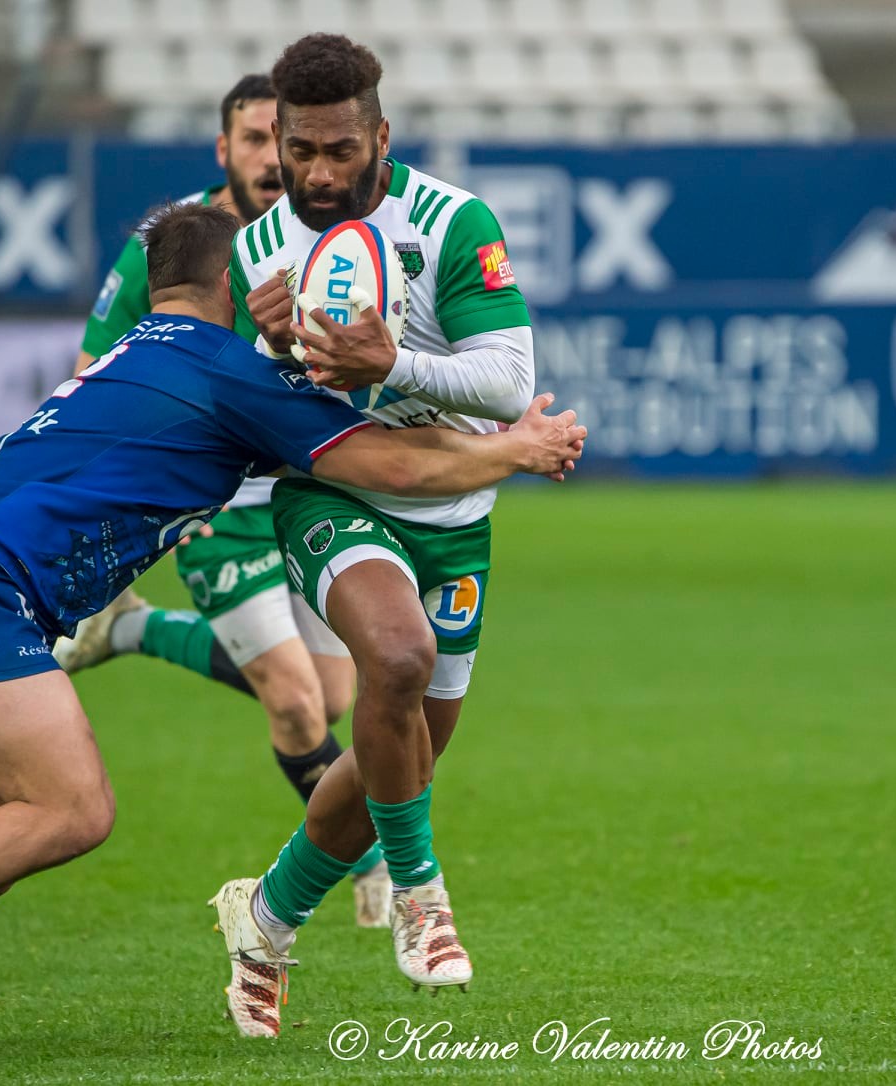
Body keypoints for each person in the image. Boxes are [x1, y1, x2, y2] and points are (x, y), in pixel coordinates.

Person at [0, 201, 585, 1058]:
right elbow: (394, 464)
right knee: (72, 810)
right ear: (238, 282)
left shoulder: (133, 352)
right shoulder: (229, 372)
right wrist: (518, 448)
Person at [207, 32, 538, 1033]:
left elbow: (509, 384)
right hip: (333, 497)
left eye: (337, 151)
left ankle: (263, 922)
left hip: (453, 514)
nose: (312, 173)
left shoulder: (451, 223)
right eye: (298, 150)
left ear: (380, 136)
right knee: (394, 659)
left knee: (398, 756)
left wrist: (390, 363)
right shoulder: (260, 247)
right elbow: (249, 406)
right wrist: (265, 352)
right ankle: (423, 903)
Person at [56, 75, 394, 925]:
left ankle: (130, 628)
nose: (269, 158)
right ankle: (372, 863)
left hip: (304, 486)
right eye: (250, 140)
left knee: (334, 697)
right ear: (227, 150)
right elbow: (95, 371)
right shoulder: (173, 243)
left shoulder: (331, 237)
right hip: (212, 499)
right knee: (291, 701)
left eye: (276, 140)